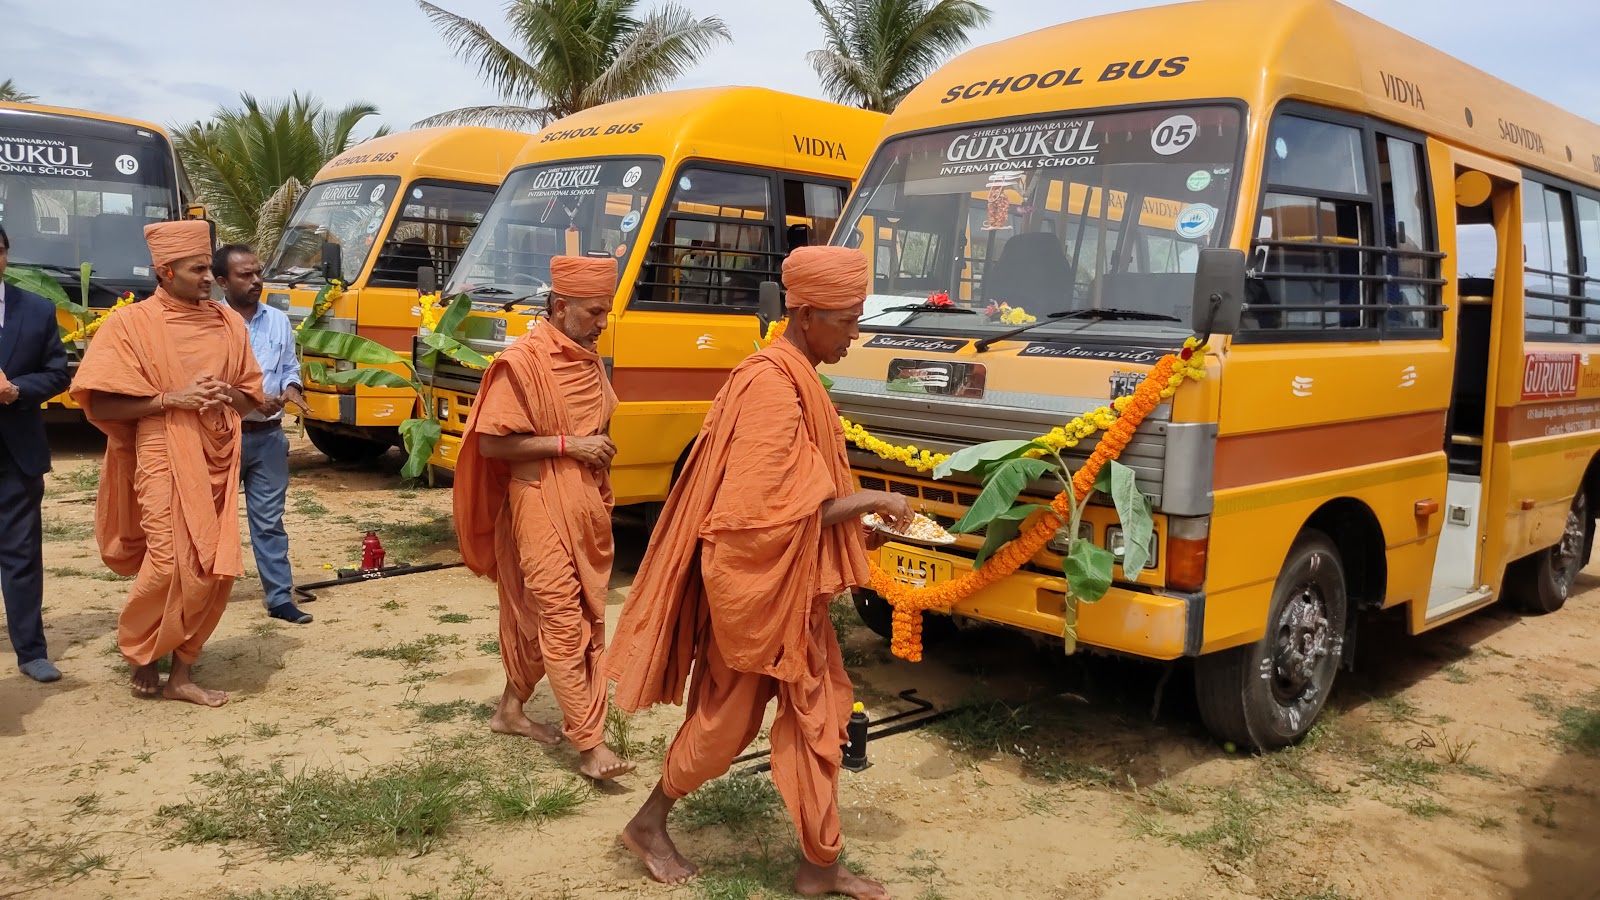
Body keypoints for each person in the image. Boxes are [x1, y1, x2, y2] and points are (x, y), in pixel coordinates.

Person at [608, 246, 912, 899]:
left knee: (821, 717)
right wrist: (872, 499)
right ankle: (649, 822)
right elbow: (759, 514)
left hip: (791, 586)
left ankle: (819, 865)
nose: (854, 335)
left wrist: (860, 522)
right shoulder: (772, 386)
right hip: (755, 591)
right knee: (723, 729)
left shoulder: (798, 376)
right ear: (806, 315)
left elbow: (798, 499)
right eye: (846, 321)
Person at [453, 255, 635, 780]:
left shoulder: (589, 360)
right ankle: (590, 745)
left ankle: (509, 711)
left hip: (585, 506)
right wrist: (568, 445)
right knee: (561, 618)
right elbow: (491, 443)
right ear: (560, 307)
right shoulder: (522, 362)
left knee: (557, 614)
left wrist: (595, 451)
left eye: (606, 312)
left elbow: (595, 424)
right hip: (536, 503)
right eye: (594, 312)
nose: (602, 323)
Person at [70, 220, 264, 707]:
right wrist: (169, 399)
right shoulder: (130, 325)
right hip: (160, 449)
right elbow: (101, 403)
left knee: (212, 566)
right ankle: (143, 648)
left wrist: (227, 393)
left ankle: (182, 672)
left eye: (208, 268)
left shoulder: (229, 324)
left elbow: (250, 399)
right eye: (197, 270)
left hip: (218, 452)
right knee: (168, 563)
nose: (209, 278)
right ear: (165, 271)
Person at [214, 243, 312, 625]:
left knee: (270, 521)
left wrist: (292, 388)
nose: (256, 281)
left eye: (258, 273)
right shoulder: (210, 323)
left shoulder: (278, 321)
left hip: (269, 438)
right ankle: (202, 600)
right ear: (222, 281)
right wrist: (254, 398)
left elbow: (289, 367)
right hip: (222, 437)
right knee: (210, 521)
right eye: (245, 275)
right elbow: (208, 382)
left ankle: (279, 598)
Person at [0, 225, 71, 682]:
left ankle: (31, 651)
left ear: (6, 254)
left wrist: (16, 390)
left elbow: (57, 374)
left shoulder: (37, 309)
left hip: (16, 454)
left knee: (21, 553)